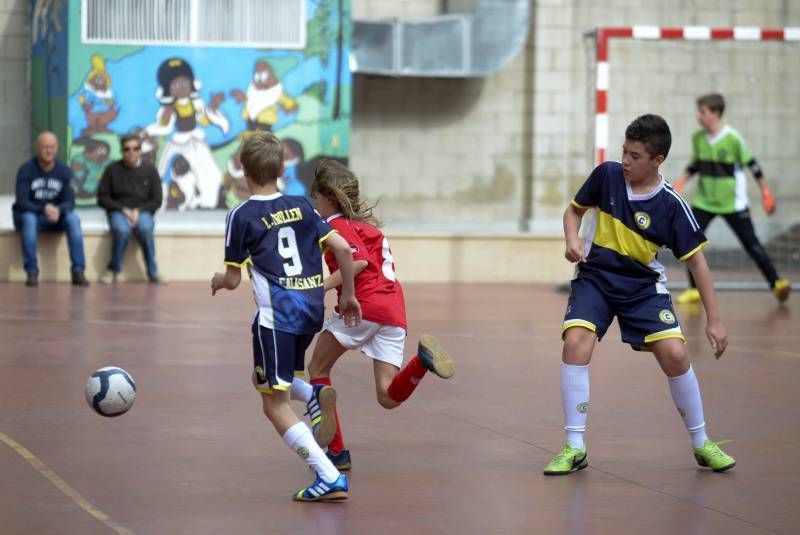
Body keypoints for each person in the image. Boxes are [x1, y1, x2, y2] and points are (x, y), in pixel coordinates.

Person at [543, 114, 735, 476]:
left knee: (676, 354)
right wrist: (571, 239)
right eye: (624, 152)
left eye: (635, 156)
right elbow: (574, 211)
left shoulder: (671, 205)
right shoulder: (607, 176)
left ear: (657, 160)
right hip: (596, 278)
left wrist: (715, 320)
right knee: (575, 343)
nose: (626, 161)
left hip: (642, 287)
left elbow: (698, 264)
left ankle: (702, 442)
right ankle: (574, 447)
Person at [210, 131, 362, 502]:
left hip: (276, 316)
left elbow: (232, 279)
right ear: (281, 168)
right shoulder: (301, 204)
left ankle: (327, 475)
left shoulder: (241, 215)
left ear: (243, 169)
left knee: (272, 403)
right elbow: (344, 247)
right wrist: (350, 296)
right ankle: (313, 394)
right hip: (311, 310)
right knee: (266, 378)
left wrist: (219, 279)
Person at [289, 160, 455, 471]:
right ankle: (421, 361)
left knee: (317, 367)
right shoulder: (365, 228)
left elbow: (359, 262)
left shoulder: (337, 227)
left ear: (329, 197)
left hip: (365, 304)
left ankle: (336, 451)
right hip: (394, 309)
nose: (315, 204)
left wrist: (319, 288)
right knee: (388, 396)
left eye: (316, 198)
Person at [674, 93, 790, 304]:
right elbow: (696, 165)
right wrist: (681, 182)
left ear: (715, 113)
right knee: (690, 241)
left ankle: (776, 283)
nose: (699, 116)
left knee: (752, 245)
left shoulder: (733, 138)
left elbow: (753, 165)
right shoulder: (699, 138)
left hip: (732, 203)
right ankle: (693, 290)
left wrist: (765, 191)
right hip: (704, 201)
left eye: (703, 112)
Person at [12, 131, 89, 287]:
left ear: (57, 148)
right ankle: (32, 272)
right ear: (38, 148)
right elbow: (22, 202)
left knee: (73, 219)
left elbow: (70, 202)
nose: (49, 151)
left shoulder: (65, 171)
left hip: (56, 217)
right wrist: (44, 208)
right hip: (33, 216)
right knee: (28, 218)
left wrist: (57, 210)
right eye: (45, 147)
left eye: (52, 147)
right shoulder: (26, 170)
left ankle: (78, 271)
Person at [96, 134, 164, 284]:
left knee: (145, 228)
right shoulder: (112, 170)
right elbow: (102, 198)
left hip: (143, 211)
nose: (131, 152)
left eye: (135, 148)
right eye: (127, 149)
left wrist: (138, 211)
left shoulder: (150, 170)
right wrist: (123, 209)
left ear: (140, 151)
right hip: (118, 212)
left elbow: (157, 200)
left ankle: (153, 272)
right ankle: (112, 269)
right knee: (122, 230)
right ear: (122, 151)